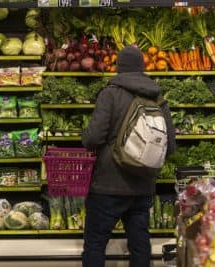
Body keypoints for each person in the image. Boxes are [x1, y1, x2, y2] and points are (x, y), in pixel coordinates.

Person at [81, 46, 176, 267]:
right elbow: (170, 146)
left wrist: (84, 137)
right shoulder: (158, 97)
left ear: (119, 67)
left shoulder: (110, 93)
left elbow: (94, 136)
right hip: (143, 185)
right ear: (142, 67)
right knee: (139, 242)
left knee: (95, 243)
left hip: (108, 185)